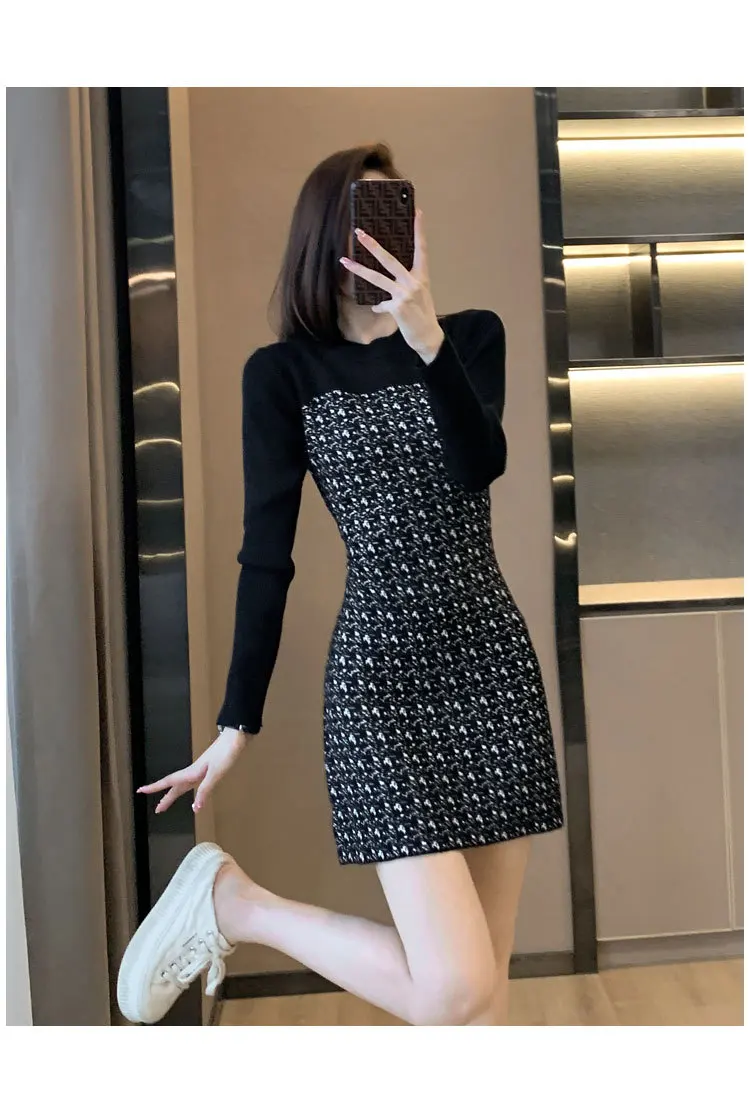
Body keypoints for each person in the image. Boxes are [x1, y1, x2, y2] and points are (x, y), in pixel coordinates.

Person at [117, 142, 565, 1027]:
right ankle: (236, 905)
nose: (383, 239)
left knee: (481, 1001)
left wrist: (426, 336)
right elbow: (266, 556)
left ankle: (236, 905)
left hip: (490, 666)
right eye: (364, 219)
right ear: (324, 237)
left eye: (396, 215)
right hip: (382, 681)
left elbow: (481, 463)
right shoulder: (284, 375)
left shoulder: (470, 337)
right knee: (453, 988)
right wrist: (236, 721)